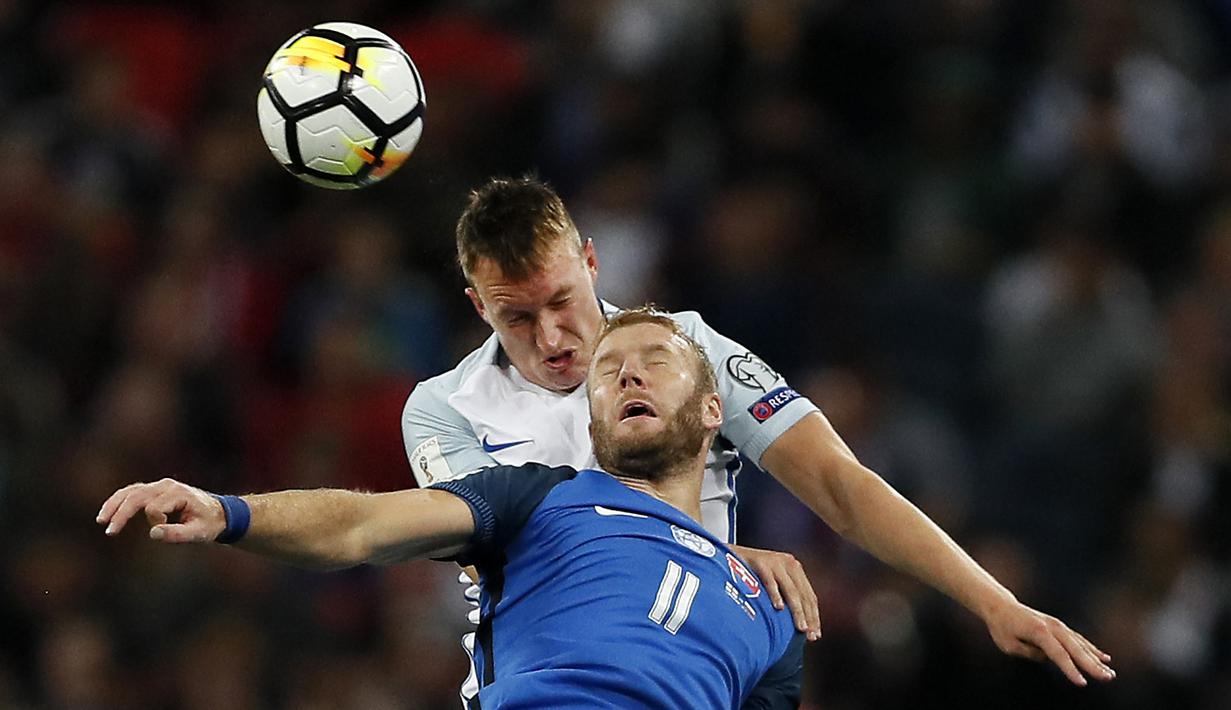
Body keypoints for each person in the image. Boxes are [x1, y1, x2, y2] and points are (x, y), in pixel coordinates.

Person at [401, 176, 1116, 693]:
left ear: (591, 262)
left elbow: (839, 483)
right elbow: (492, 551)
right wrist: (720, 555)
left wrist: (992, 600)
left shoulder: (689, 350)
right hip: (548, 683)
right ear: (476, 306)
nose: (552, 336)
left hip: (706, 674)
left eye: (561, 300)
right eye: (516, 317)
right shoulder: (444, 409)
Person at [97, 310, 804, 709]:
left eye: (654, 357)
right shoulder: (541, 496)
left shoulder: (771, 604)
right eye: (607, 369)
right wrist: (228, 512)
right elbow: (364, 524)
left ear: (715, 409)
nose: (626, 372)